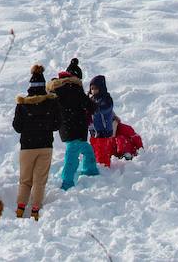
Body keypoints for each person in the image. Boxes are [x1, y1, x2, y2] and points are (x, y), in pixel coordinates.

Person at [12, 63, 60, 220]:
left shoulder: (22, 104)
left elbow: (17, 127)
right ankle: (35, 211)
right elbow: (56, 125)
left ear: (30, 86)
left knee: (25, 181)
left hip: (27, 147)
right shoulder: (51, 102)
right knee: (40, 181)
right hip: (45, 146)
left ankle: (20, 209)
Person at [47, 57, 99, 190]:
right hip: (75, 127)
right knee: (72, 157)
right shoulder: (75, 89)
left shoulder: (58, 88)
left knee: (87, 150)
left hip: (66, 126)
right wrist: (93, 103)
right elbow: (91, 106)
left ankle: (90, 170)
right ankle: (67, 182)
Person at [88, 75, 117, 167]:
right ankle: (96, 163)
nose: (93, 91)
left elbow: (106, 109)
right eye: (92, 88)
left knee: (102, 150)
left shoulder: (106, 99)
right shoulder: (92, 99)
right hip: (94, 130)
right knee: (94, 149)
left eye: (95, 88)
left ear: (101, 88)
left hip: (104, 130)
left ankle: (104, 167)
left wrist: (96, 108)